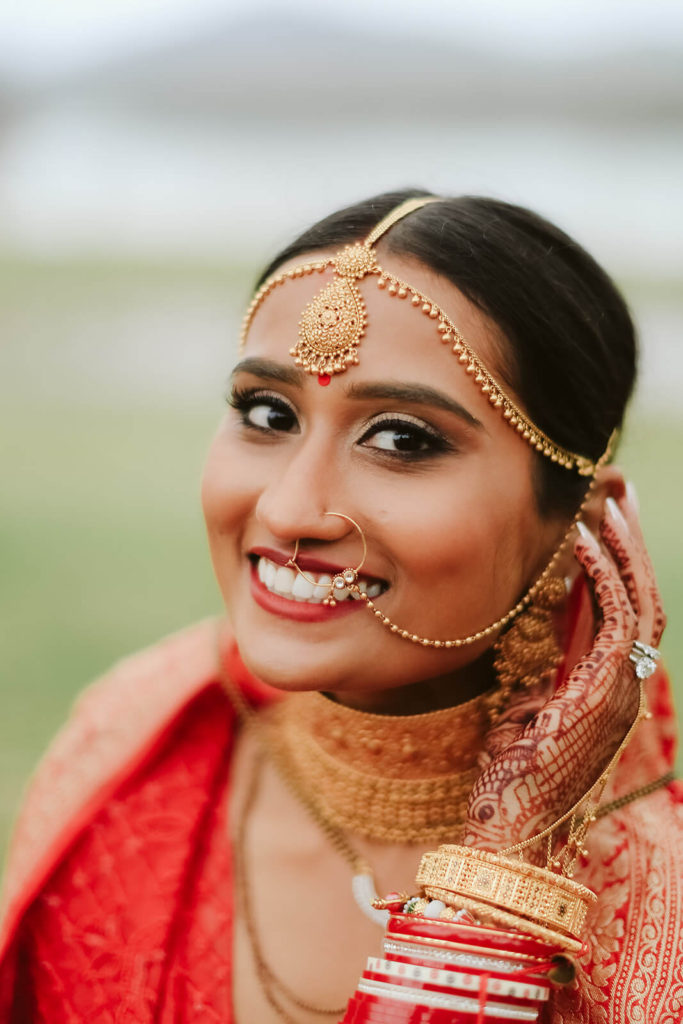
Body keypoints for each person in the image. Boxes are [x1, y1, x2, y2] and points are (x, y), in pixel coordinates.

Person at [0, 191, 680, 1023]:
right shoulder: (131, 751)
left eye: (401, 439)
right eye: (267, 413)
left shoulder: (652, 888)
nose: (288, 510)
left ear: (585, 523)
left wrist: (506, 870)